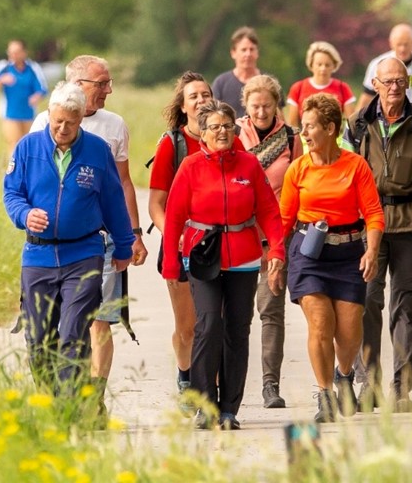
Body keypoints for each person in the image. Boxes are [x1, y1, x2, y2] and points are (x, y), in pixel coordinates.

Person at [29, 55, 148, 421]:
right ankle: (59, 397)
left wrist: (134, 234)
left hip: (102, 240)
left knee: (100, 321)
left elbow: (123, 183)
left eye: (108, 83)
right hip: (54, 246)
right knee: (56, 327)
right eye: (102, 83)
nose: (108, 90)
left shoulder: (114, 126)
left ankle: (92, 399)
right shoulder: (43, 123)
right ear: (78, 85)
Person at [2, 82, 135, 400]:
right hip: (38, 256)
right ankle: (49, 402)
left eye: (70, 123)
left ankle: (69, 405)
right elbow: (12, 193)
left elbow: (113, 201)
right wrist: (25, 214)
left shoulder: (97, 150)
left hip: (84, 254)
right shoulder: (27, 147)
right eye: (57, 121)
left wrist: (125, 245)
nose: (63, 129)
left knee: (74, 333)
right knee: (39, 339)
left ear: (80, 120)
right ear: (49, 115)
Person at [161, 100, 285, 430]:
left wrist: (277, 250)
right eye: (214, 127)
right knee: (208, 325)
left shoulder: (249, 164)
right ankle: (205, 405)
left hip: (243, 257)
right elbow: (173, 217)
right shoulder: (190, 166)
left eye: (228, 126)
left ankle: (229, 408)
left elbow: (269, 211)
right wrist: (171, 264)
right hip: (202, 255)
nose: (222, 132)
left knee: (237, 330)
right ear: (202, 133)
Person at [345, 56, 412, 413]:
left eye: (400, 81)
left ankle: (402, 388)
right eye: (388, 81)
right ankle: (369, 383)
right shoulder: (357, 125)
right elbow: (342, 177)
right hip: (368, 223)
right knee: (367, 301)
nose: (395, 87)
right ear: (375, 85)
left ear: (407, 83)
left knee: (406, 305)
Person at [280, 93, 385, 422]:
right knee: (321, 324)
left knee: (349, 331)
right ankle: (325, 394)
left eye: (310, 126)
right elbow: (284, 219)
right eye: (302, 126)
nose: (304, 133)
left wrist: (371, 251)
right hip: (309, 254)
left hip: (349, 253)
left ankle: (344, 376)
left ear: (330, 128)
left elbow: (374, 214)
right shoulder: (298, 169)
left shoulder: (355, 165)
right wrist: (274, 258)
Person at [147, 71, 216, 411]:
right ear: (183, 106)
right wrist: (173, 237)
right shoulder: (171, 145)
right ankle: (186, 378)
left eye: (205, 94)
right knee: (188, 326)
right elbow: (155, 204)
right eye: (194, 96)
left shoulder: (224, 138)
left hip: (218, 245)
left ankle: (211, 388)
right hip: (180, 246)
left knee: (213, 322)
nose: (201, 100)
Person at [235, 75, 301, 409]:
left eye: (267, 106)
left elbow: (300, 182)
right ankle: (230, 385)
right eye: (255, 106)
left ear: (277, 105)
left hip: (277, 236)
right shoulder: (232, 134)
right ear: (245, 105)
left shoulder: (290, 137)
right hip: (239, 236)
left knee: (271, 311)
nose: (261, 112)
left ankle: (270, 385)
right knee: (236, 314)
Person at [0, 39, 49, 156]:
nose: (13, 55)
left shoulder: (33, 68)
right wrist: (0, 81)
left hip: (29, 113)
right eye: (10, 52)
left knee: (29, 144)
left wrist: (37, 96)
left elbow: (43, 88)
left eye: (16, 52)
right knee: (14, 144)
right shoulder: (3, 67)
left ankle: (27, 166)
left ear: (24, 52)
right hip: (10, 113)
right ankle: (14, 166)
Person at [355, 23, 412, 113]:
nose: (402, 49)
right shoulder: (377, 64)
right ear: (391, 43)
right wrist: (355, 119)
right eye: (399, 44)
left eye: (406, 44)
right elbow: (367, 97)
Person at [285, 41, 355, 127]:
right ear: (311, 65)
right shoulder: (298, 88)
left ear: (334, 65)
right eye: (319, 64)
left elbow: (352, 123)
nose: (323, 68)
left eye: (327, 65)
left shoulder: (343, 88)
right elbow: (293, 125)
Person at [210, 26, 263, 116]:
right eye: (244, 50)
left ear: (257, 52)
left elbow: (279, 117)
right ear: (233, 53)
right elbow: (212, 116)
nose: (248, 54)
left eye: (251, 49)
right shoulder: (221, 83)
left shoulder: (268, 83)